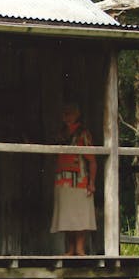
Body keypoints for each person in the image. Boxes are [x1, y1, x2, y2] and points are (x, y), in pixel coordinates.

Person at [50, 102, 97, 255]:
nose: (67, 117)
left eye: (70, 114)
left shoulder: (83, 133)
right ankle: (70, 249)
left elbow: (92, 161)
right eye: (65, 114)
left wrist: (92, 183)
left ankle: (80, 248)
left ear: (77, 115)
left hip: (80, 179)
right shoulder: (61, 133)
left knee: (81, 215)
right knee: (66, 216)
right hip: (63, 179)